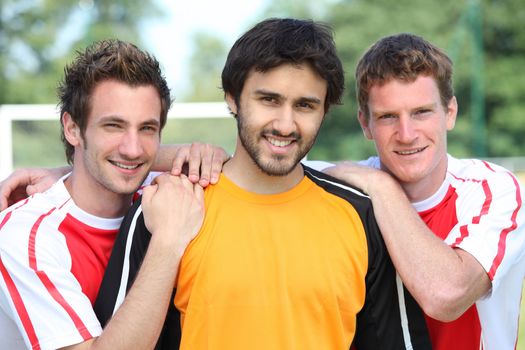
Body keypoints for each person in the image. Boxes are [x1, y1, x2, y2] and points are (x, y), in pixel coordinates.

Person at [94, 19, 432, 350]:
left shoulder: (362, 216)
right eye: (269, 100)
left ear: (324, 110)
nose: (285, 124)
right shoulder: (166, 206)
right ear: (232, 98)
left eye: (305, 105)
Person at [0, 39, 227, 349]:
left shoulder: (161, 195)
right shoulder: (26, 235)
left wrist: (202, 154)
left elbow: (313, 171)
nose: (133, 148)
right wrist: (167, 242)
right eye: (113, 126)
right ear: (72, 128)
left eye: (147, 128)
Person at [323, 33, 525, 350]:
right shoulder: (340, 186)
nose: (406, 134)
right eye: (388, 116)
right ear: (365, 123)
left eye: (421, 112)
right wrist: (215, 157)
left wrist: (382, 187)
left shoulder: (493, 190)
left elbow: (446, 295)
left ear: (450, 113)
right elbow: (258, 171)